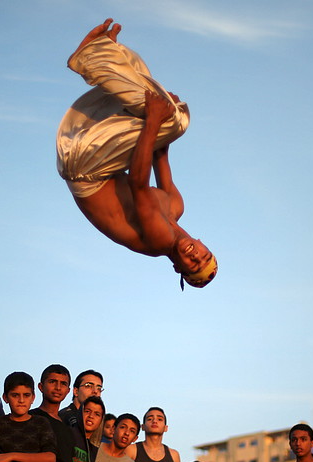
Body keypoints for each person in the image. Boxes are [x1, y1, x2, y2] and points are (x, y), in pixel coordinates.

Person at [57, 19, 217, 289]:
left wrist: (157, 119)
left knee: (172, 120)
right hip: (100, 162)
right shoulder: (175, 205)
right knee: (162, 105)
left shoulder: (159, 241)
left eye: (193, 266)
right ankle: (106, 51)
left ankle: (90, 59)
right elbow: (160, 153)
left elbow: (138, 183)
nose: (196, 257)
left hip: (85, 167)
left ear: (178, 268)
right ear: (204, 244)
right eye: (205, 257)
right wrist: (165, 106)